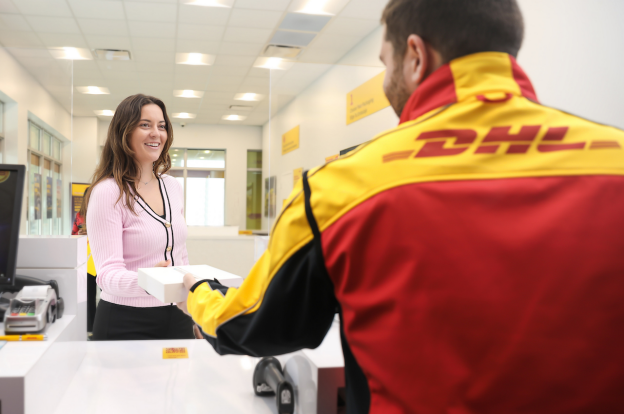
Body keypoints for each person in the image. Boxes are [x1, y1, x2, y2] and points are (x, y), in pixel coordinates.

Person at [179, 0, 624, 412]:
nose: (386, 77)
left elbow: (252, 324)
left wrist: (198, 294)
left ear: (415, 56)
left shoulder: (341, 188)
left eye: (384, 64)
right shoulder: (614, 159)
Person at [84, 94, 195, 340]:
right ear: (124, 132)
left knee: (182, 379)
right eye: (145, 125)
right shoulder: (108, 192)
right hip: (126, 319)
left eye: (162, 126)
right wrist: (148, 282)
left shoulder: (173, 186)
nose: (156, 133)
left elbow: (181, 255)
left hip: (178, 316)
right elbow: (106, 275)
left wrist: (193, 310)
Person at [70, 187, 98, 333]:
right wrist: (81, 234)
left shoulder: (103, 214)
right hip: (85, 261)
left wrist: (93, 232)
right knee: (89, 296)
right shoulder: (80, 216)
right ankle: (90, 328)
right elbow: (73, 236)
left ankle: (100, 325)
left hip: (101, 259)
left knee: (107, 294)